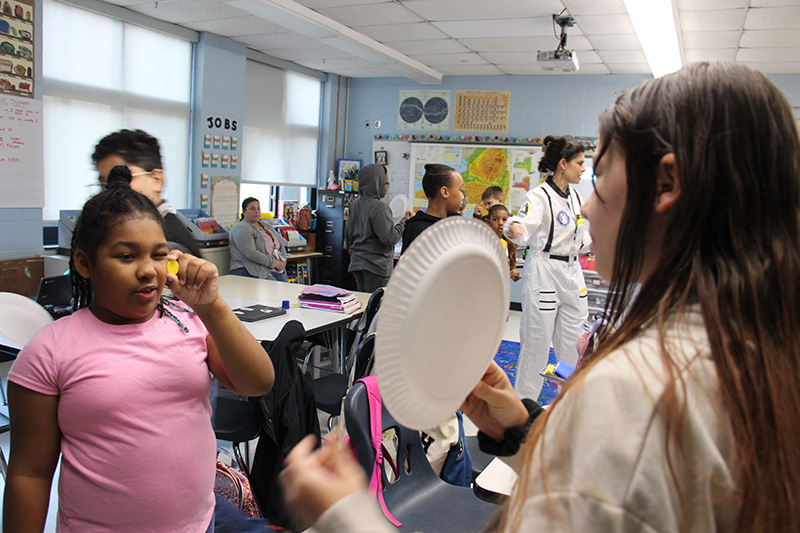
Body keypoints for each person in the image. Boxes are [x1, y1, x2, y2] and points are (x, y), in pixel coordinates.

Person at [278, 62, 800, 532]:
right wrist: (525, 431)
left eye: (600, 177)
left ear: (666, 184)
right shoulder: (757, 350)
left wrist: (345, 516)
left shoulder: (636, 394)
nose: (590, 205)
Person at [3, 166, 275, 532]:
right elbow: (30, 474)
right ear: (84, 263)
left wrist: (212, 307)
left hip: (198, 525)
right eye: (127, 256)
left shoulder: (188, 320)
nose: (148, 270)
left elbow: (258, 382)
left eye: (158, 254)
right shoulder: (51, 350)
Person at [504, 135, 590, 400]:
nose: (583, 169)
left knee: (573, 347)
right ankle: (524, 409)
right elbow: (521, 227)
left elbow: (581, 240)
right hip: (545, 273)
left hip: (572, 273)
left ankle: (567, 404)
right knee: (537, 347)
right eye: (579, 163)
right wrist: (513, 228)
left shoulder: (575, 196)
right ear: (563, 164)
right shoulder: (538, 196)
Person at [93, 128, 202, 257]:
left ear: (157, 180)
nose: (111, 191)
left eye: (124, 178)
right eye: (103, 184)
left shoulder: (170, 248)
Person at [344, 164, 411, 293]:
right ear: (376, 183)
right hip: (376, 266)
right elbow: (390, 238)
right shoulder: (379, 207)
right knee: (375, 308)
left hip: (357, 264)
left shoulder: (354, 206)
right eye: (385, 183)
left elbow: (348, 238)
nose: (386, 188)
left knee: (364, 305)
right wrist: (404, 222)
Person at [401, 164, 464, 253]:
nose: (462, 196)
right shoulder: (416, 230)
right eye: (460, 190)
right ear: (445, 192)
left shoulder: (457, 223)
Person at [229, 197, 289, 282]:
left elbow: (281, 244)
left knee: (288, 290)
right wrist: (274, 263)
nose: (256, 211)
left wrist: (282, 261)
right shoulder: (242, 228)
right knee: (274, 290)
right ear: (244, 212)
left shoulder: (265, 226)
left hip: (271, 268)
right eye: (252, 209)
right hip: (248, 269)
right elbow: (251, 253)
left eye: (258, 208)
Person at [487, 204, 521, 282]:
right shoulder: (488, 243)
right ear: (488, 222)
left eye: (504, 220)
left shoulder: (504, 243)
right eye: (496, 219)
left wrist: (511, 275)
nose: (500, 223)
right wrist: (508, 274)